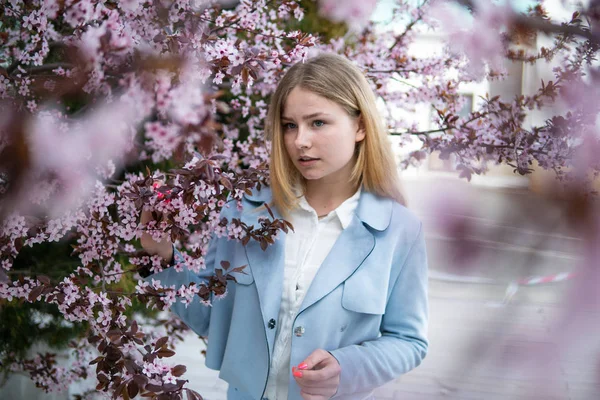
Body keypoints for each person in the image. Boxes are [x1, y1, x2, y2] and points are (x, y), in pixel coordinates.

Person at [141, 53, 428, 400]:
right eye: (289, 125)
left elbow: (408, 341)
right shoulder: (244, 211)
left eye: (318, 122)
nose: (300, 141)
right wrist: (161, 256)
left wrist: (346, 367)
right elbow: (211, 318)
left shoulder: (400, 231)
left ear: (360, 126)